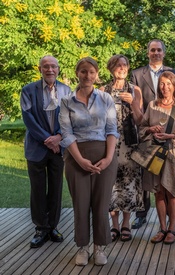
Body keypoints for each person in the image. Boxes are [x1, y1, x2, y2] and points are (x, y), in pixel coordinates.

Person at [59, 57, 119, 266]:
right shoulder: (67, 101)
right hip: (76, 157)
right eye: (83, 71)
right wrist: (80, 160)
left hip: (104, 155)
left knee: (101, 205)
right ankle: (83, 247)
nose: (87, 75)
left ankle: (100, 247)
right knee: (81, 204)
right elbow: (66, 134)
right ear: (77, 73)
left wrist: (109, 158)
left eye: (91, 72)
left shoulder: (106, 99)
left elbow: (112, 130)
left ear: (96, 74)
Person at [130, 39, 175, 229]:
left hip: (170, 131)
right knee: (148, 175)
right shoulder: (137, 74)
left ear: (164, 52)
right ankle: (141, 214)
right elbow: (136, 103)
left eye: (159, 50)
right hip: (148, 127)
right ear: (148, 52)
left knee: (169, 181)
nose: (156, 53)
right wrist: (146, 127)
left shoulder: (173, 72)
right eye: (152, 50)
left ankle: (173, 216)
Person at [20, 55, 71, 248]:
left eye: (53, 67)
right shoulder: (28, 90)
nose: (50, 70)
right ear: (40, 69)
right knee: (38, 189)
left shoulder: (66, 90)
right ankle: (40, 228)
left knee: (56, 188)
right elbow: (28, 119)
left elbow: (68, 117)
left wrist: (58, 136)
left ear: (58, 69)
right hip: (37, 148)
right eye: (46, 66)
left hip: (59, 147)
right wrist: (47, 140)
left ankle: (53, 226)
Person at [99, 54, 144, 242]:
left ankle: (126, 223)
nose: (122, 68)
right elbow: (98, 120)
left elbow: (140, 120)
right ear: (111, 68)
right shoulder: (102, 91)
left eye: (125, 65)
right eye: (118, 65)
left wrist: (132, 102)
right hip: (109, 143)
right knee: (110, 183)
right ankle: (114, 225)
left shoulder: (135, 90)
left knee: (129, 182)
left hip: (129, 143)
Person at [139, 71, 175, 245]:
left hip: (174, 155)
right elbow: (142, 128)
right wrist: (151, 130)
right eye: (162, 83)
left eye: (168, 84)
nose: (165, 87)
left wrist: (172, 136)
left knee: (172, 193)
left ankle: (172, 228)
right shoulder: (152, 105)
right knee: (159, 192)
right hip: (155, 155)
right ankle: (162, 228)